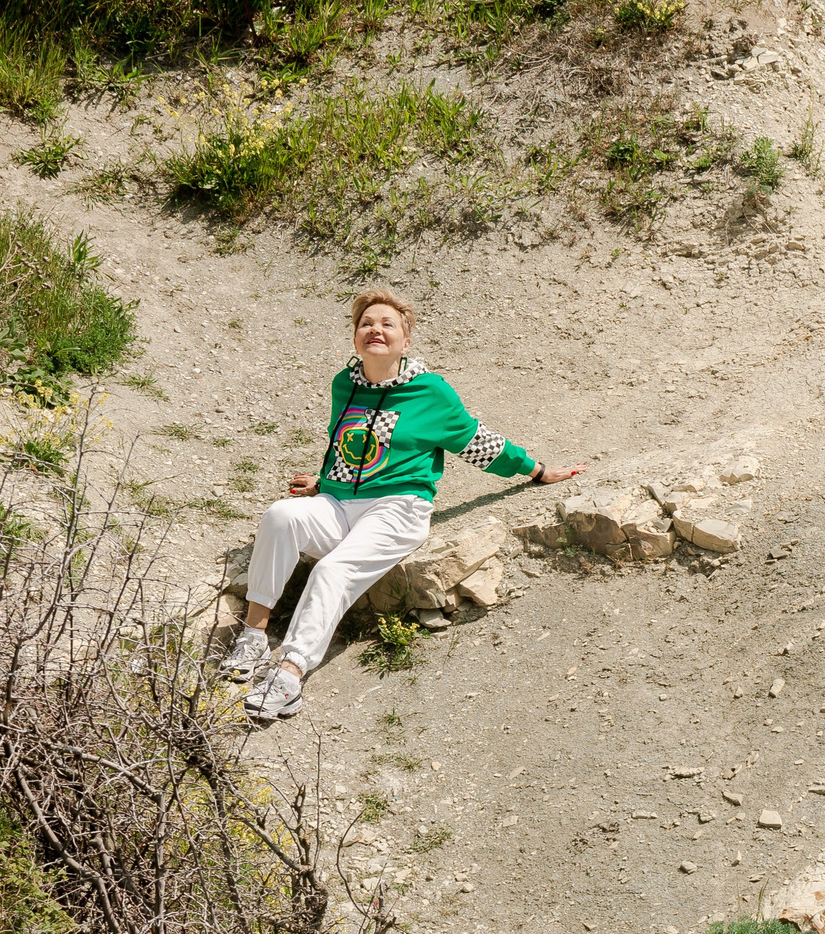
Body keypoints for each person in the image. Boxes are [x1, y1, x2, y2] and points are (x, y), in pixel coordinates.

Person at [220, 289, 581, 720]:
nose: (375, 329)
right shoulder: (344, 384)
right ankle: (255, 635)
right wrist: (326, 479)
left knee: (333, 569)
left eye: (387, 324)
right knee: (280, 515)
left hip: (397, 507)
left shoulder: (430, 392)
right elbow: (350, 443)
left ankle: (290, 673)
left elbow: (477, 441)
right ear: (356, 337)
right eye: (366, 323)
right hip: (338, 501)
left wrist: (536, 470)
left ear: (405, 341)